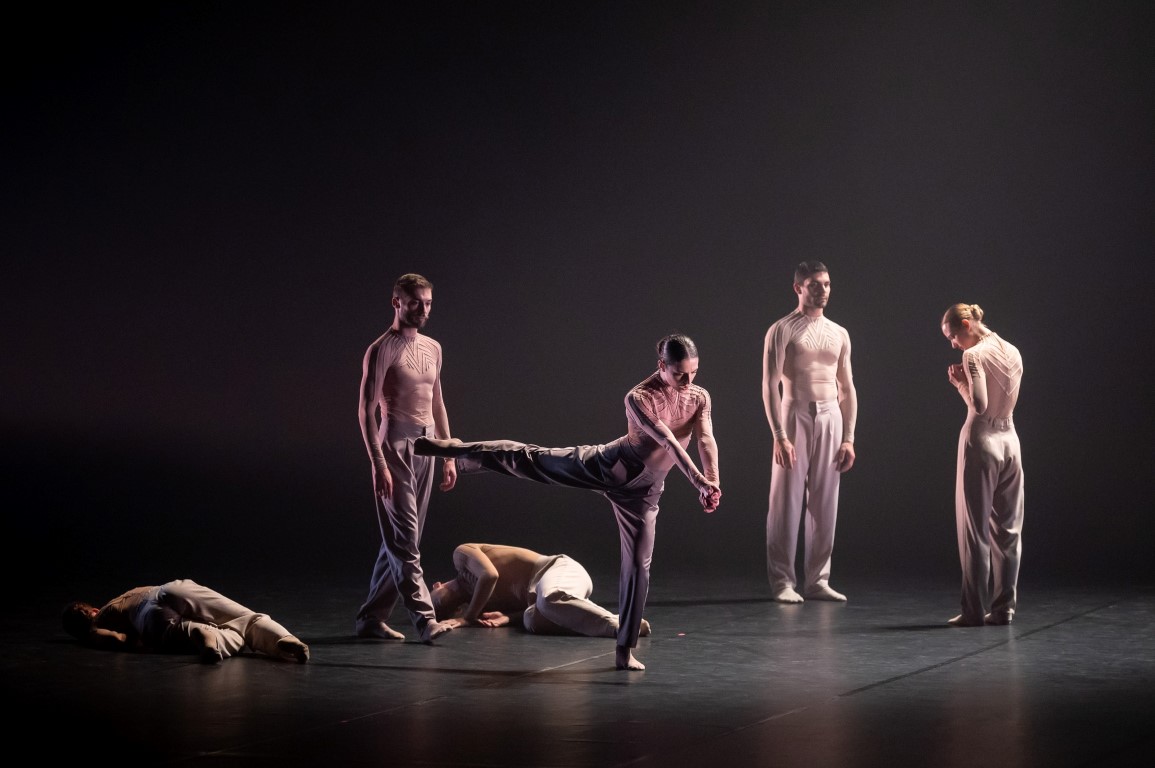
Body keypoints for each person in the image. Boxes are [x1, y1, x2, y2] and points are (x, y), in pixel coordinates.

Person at [414, 333, 720, 671]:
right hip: (607, 466)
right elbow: (667, 441)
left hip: (644, 493)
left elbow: (705, 438)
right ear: (661, 366)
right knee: (532, 459)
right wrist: (698, 482)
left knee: (638, 568)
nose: (688, 381)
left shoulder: (699, 397)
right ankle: (452, 450)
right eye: (680, 374)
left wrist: (713, 480)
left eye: (694, 373)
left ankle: (624, 650)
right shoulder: (638, 397)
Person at [355, 273, 456, 644]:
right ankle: (424, 620)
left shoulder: (434, 347)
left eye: (428, 303)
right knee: (406, 540)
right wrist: (378, 463)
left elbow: (437, 402)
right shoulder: (381, 349)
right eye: (415, 303)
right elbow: (366, 411)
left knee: (400, 541)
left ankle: (371, 619)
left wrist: (448, 453)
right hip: (395, 446)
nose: (423, 310)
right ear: (396, 302)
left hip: (427, 447)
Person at [762, 261, 858, 604]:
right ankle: (783, 581)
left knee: (825, 500)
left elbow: (847, 387)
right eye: (815, 284)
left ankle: (818, 580)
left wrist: (849, 437)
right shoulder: (782, 329)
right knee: (785, 501)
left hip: (831, 414)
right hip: (795, 414)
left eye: (827, 284)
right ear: (798, 288)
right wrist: (779, 434)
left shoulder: (839, 332)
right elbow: (769, 385)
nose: (823, 290)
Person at [941, 303, 1025, 627]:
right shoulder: (1013, 350)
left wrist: (959, 384)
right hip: (1011, 440)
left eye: (953, 336)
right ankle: (1004, 609)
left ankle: (973, 610)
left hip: (982, 440)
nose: (953, 344)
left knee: (975, 531)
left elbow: (979, 404)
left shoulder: (973, 355)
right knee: (1009, 530)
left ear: (967, 324)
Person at [430, 542, 651, 638]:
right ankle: (620, 620)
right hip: (549, 598)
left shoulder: (461, 555)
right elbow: (530, 605)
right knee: (531, 620)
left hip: (558, 569)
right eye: (444, 612)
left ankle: (622, 628)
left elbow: (490, 575)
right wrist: (508, 618)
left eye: (435, 603)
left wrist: (468, 618)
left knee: (550, 598)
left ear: (436, 585)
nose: (441, 607)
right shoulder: (483, 601)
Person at [61, 578, 309, 663]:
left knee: (191, 633)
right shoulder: (117, 600)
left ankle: (203, 635)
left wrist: (146, 644)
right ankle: (285, 639)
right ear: (93, 608)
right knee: (243, 617)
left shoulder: (94, 627)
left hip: (146, 615)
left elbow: (119, 639)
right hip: (170, 589)